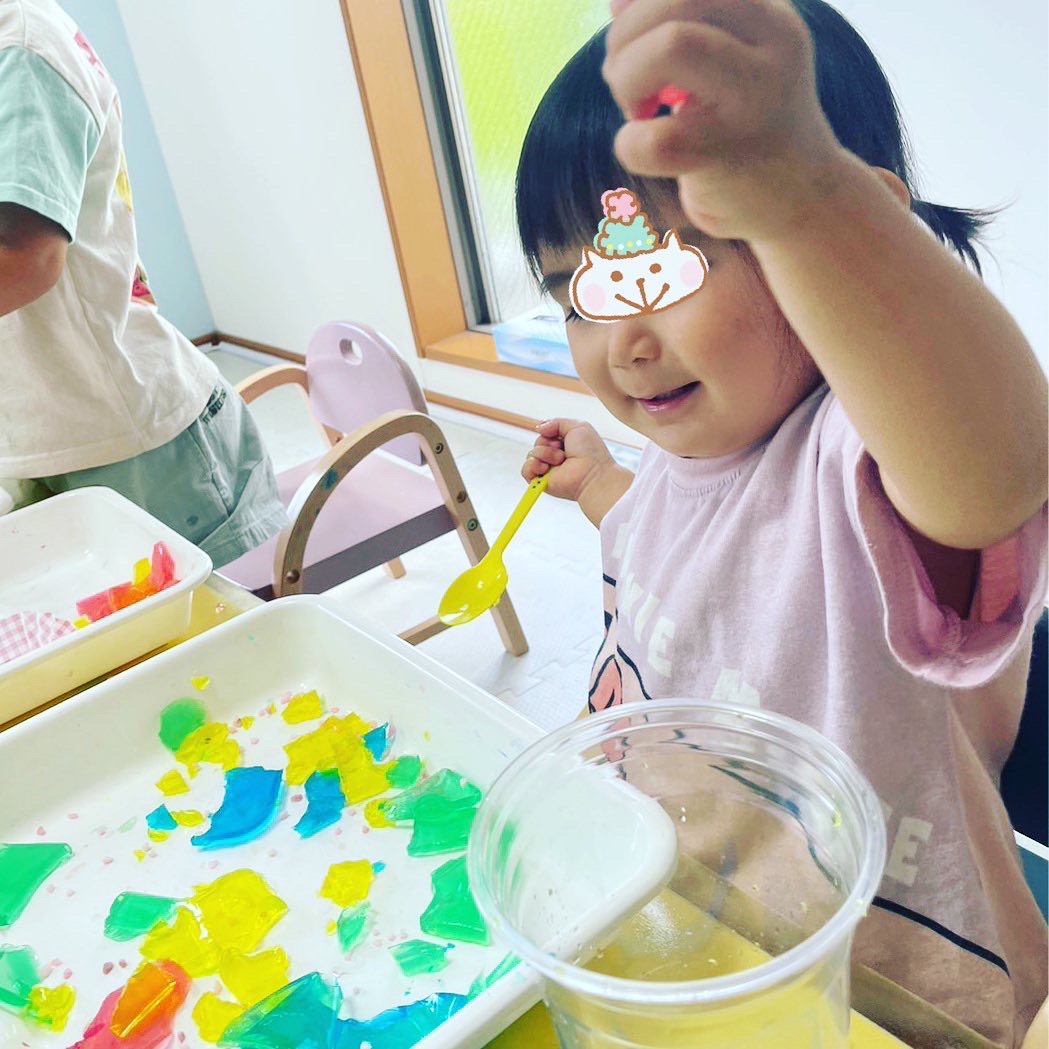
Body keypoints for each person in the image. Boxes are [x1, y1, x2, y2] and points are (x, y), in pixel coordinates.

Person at [518, 0, 1048, 1044]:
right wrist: (602, 489)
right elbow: (698, 580)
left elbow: (992, 475)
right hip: (688, 923)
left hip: (886, 990)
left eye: (663, 271)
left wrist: (813, 204)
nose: (620, 340)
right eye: (576, 295)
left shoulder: (858, 458)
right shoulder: (683, 457)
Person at [0, 0, 285, 566]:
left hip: (131, 441)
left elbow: (27, 257)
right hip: (47, 429)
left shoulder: (22, 49)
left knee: (217, 616)